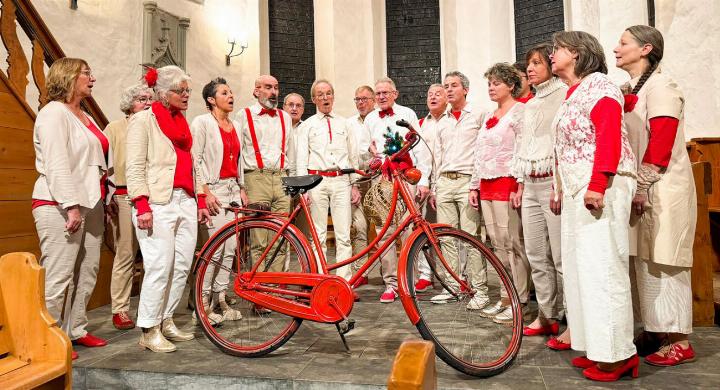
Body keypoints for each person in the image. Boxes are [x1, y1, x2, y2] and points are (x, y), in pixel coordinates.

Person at [551, 31, 638, 381]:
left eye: (557, 50)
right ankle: (596, 346)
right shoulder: (572, 93)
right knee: (580, 269)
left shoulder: (600, 85)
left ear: (576, 52)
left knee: (603, 268)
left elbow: (608, 134)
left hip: (602, 185)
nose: (552, 54)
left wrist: (598, 183)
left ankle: (618, 354)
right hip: (577, 187)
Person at [615, 25, 697, 366]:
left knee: (664, 260)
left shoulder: (662, 85)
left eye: (624, 43)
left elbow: (662, 137)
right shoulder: (630, 88)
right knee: (642, 261)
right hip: (640, 186)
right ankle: (654, 329)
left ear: (646, 49)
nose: (616, 48)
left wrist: (645, 182)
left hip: (662, 184)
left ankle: (679, 339)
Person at [127, 65, 211, 353]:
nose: (186, 95)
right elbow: (135, 166)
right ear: (162, 93)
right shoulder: (143, 121)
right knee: (160, 265)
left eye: (187, 90)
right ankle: (149, 329)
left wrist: (199, 199)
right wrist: (141, 204)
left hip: (185, 200)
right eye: (180, 91)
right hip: (157, 201)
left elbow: (191, 164)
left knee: (181, 266)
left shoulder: (181, 121)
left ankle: (166, 319)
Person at [31, 58, 111, 360]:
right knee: (59, 274)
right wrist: (71, 206)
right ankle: (45, 337)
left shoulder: (85, 116)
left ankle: (74, 329)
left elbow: (95, 162)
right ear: (68, 77)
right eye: (86, 73)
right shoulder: (53, 113)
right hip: (59, 203)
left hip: (91, 202)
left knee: (88, 269)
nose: (92, 78)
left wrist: (104, 198)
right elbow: (57, 163)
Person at [510, 43, 568, 341]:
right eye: (528, 64)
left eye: (536, 63)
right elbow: (525, 146)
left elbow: (561, 143)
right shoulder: (530, 102)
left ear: (550, 64)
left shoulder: (563, 95)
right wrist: (519, 184)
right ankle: (547, 314)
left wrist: (558, 184)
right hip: (530, 183)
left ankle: (571, 318)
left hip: (552, 183)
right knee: (535, 254)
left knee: (560, 256)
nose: (529, 69)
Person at [469, 63, 528, 324]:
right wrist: (474, 184)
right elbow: (479, 153)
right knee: (496, 244)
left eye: (497, 83)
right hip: (487, 184)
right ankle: (505, 297)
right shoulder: (490, 116)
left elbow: (524, 149)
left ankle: (520, 300)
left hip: (507, 182)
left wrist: (520, 183)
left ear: (511, 85)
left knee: (512, 243)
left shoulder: (520, 112)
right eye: (489, 83)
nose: (492, 88)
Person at [365, 77, 431, 303]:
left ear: (395, 93)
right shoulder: (371, 118)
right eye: (378, 93)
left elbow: (420, 147)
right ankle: (391, 284)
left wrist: (423, 181)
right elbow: (364, 150)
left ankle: (408, 281)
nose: (382, 96)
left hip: (405, 177)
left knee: (407, 230)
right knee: (384, 233)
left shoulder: (408, 114)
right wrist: (369, 151)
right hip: (382, 179)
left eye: (386, 92)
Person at [191, 77, 248, 324]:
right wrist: (204, 191)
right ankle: (202, 306)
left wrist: (242, 187)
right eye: (224, 92)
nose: (230, 95)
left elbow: (238, 160)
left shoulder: (234, 125)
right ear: (211, 100)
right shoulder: (202, 122)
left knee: (230, 250)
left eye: (231, 91)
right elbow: (196, 159)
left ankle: (221, 299)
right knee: (214, 250)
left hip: (233, 191)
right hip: (213, 189)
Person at [429, 73, 488, 310]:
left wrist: (477, 183)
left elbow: (483, 151)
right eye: (446, 86)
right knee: (446, 239)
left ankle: (480, 290)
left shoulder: (478, 115)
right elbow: (438, 157)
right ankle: (452, 287)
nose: (449, 90)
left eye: (454, 86)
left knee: (472, 238)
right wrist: (434, 186)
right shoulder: (442, 121)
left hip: (466, 181)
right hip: (445, 182)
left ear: (465, 89)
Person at [295, 79, 360, 280]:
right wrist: (303, 189)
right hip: (316, 181)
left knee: (344, 235)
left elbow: (353, 156)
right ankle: (321, 278)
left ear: (333, 96)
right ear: (314, 99)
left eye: (328, 93)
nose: (325, 97)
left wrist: (354, 184)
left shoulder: (345, 124)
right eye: (320, 94)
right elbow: (300, 158)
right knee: (318, 235)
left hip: (341, 181)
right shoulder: (307, 126)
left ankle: (344, 281)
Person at [105, 82, 153, 331]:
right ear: (129, 103)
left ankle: (150, 306)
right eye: (142, 99)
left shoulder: (153, 126)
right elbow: (105, 166)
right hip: (123, 197)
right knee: (126, 253)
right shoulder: (114, 128)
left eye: (149, 98)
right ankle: (120, 308)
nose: (148, 102)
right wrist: (107, 198)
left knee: (153, 256)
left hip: (152, 197)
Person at [236, 75, 296, 274]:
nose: (273, 92)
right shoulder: (243, 115)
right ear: (256, 91)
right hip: (256, 177)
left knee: (280, 239)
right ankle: (259, 292)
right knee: (259, 239)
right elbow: (237, 154)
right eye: (268, 87)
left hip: (281, 178)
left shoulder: (285, 117)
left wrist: (292, 181)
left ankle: (275, 288)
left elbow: (291, 152)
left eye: (276, 88)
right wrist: (241, 186)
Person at [413, 83, 447, 292]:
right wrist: (423, 182)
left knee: (447, 230)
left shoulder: (451, 121)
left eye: (438, 94)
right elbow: (419, 157)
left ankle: (453, 276)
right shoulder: (419, 125)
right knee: (423, 231)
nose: (433, 97)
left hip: (445, 182)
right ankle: (426, 274)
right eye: (430, 94)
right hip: (423, 184)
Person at [346, 85, 376, 288]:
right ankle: (360, 271)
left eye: (365, 98)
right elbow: (346, 154)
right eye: (357, 99)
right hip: (357, 180)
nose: (361, 103)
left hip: (377, 179)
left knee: (386, 227)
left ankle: (391, 273)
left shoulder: (379, 120)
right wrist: (350, 183)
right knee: (359, 227)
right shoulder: (348, 123)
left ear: (373, 100)